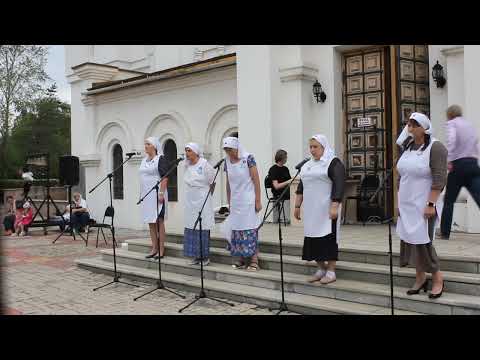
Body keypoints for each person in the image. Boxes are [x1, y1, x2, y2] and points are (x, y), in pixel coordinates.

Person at [396, 112, 447, 299]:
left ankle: (438, 278)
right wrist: (398, 203)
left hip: (424, 203)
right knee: (409, 241)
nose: (410, 128)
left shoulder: (436, 147)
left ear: (424, 128)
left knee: (424, 243)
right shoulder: (407, 147)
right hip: (407, 203)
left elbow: (440, 178)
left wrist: (431, 203)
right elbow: (401, 176)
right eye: (408, 124)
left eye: (414, 125)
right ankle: (419, 278)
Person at [294, 134, 345, 284]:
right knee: (312, 240)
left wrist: (335, 205)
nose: (312, 150)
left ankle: (331, 271)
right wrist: (297, 206)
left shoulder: (333, 162)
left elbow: (339, 183)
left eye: (315, 147)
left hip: (327, 210)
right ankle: (321, 268)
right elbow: (301, 185)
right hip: (311, 211)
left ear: (324, 147)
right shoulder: (307, 165)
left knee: (329, 239)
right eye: (310, 147)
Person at [439, 105, 480, 240]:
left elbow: (451, 141)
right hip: (473, 164)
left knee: (449, 200)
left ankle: (445, 232)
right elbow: (476, 143)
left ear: (450, 114)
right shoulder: (469, 125)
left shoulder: (452, 124)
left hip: (458, 166)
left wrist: (449, 160)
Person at [223, 136, 262, 271]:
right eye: (226, 150)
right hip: (236, 201)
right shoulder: (226, 161)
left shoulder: (248, 158)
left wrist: (258, 200)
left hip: (248, 200)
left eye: (230, 149)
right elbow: (228, 183)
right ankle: (240, 259)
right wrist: (229, 202)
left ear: (237, 147)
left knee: (250, 229)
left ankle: (254, 260)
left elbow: (256, 179)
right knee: (237, 230)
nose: (229, 152)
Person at [183, 142, 216, 266]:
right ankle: (196, 256)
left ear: (196, 152)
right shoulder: (186, 165)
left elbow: (212, 182)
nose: (187, 153)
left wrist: (207, 196)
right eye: (186, 150)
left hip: (202, 198)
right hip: (190, 199)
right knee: (192, 226)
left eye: (189, 150)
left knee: (202, 226)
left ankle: (205, 257)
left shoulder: (204, 164)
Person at [139, 136, 169, 260]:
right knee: (151, 222)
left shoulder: (159, 159)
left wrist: (161, 193)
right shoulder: (143, 160)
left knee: (159, 221)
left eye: (148, 144)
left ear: (155, 146)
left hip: (158, 195)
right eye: (145, 144)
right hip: (147, 195)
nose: (145, 146)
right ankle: (154, 248)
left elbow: (165, 177)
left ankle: (161, 250)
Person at [267, 149, 292, 224]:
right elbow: (276, 186)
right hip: (278, 192)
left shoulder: (285, 169)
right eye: (286, 157)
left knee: (298, 192)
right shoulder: (273, 169)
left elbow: (290, 182)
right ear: (282, 158)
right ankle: (287, 218)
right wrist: (288, 182)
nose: (287, 159)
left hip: (287, 191)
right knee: (296, 194)